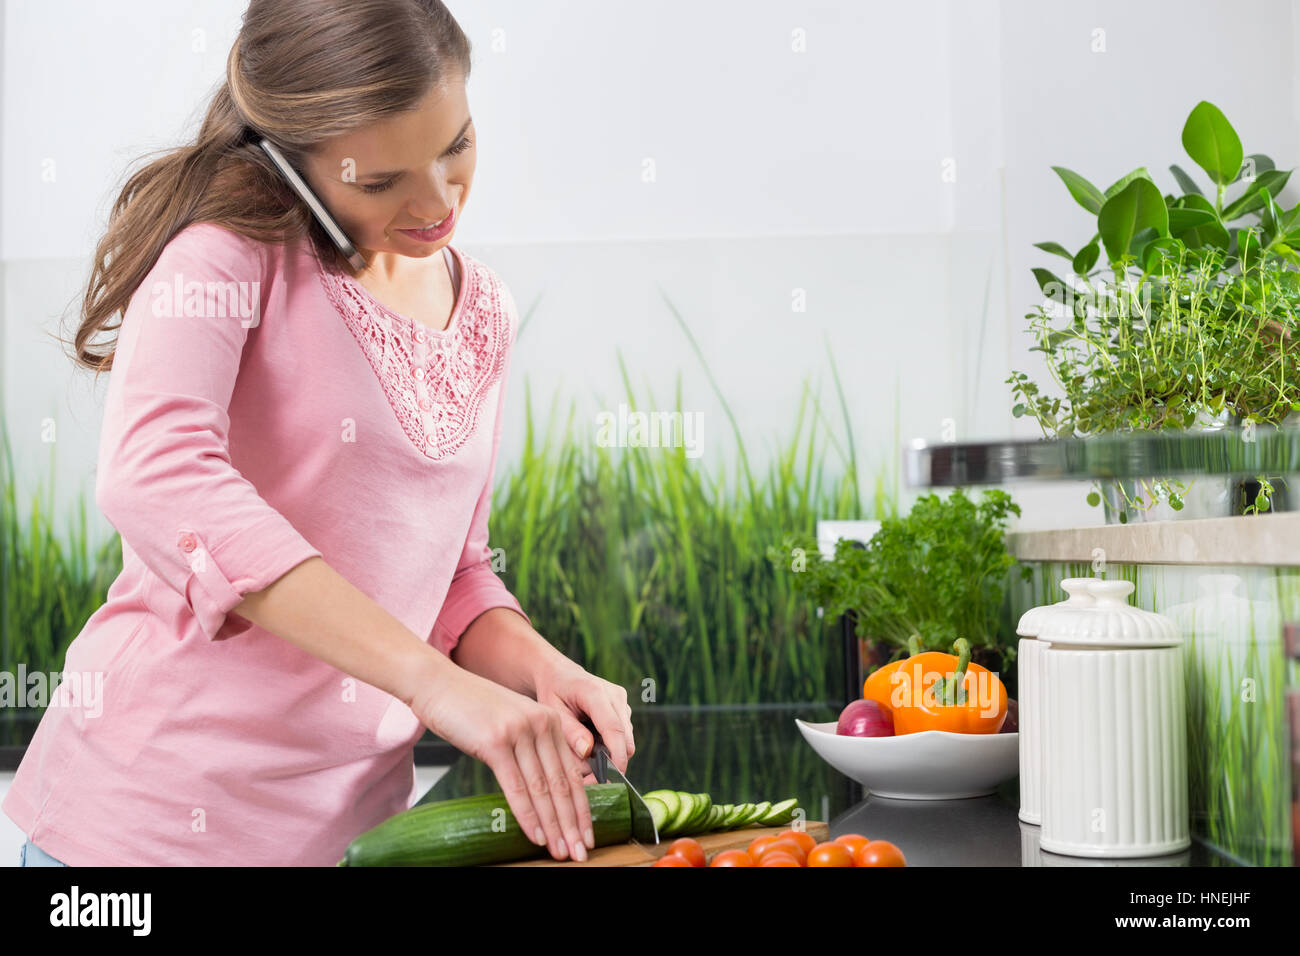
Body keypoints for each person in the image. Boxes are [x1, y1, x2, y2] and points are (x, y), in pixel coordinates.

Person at [5, 0, 633, 867]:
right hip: (141, 831)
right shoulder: (227, 256)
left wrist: (534, 667)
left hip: (348, 839)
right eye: (379, 182)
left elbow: (450, 573)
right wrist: (433, 686)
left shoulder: (484, 309)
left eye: (455, 144)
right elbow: (155, 474)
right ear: (291, 162)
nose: (438, 200)